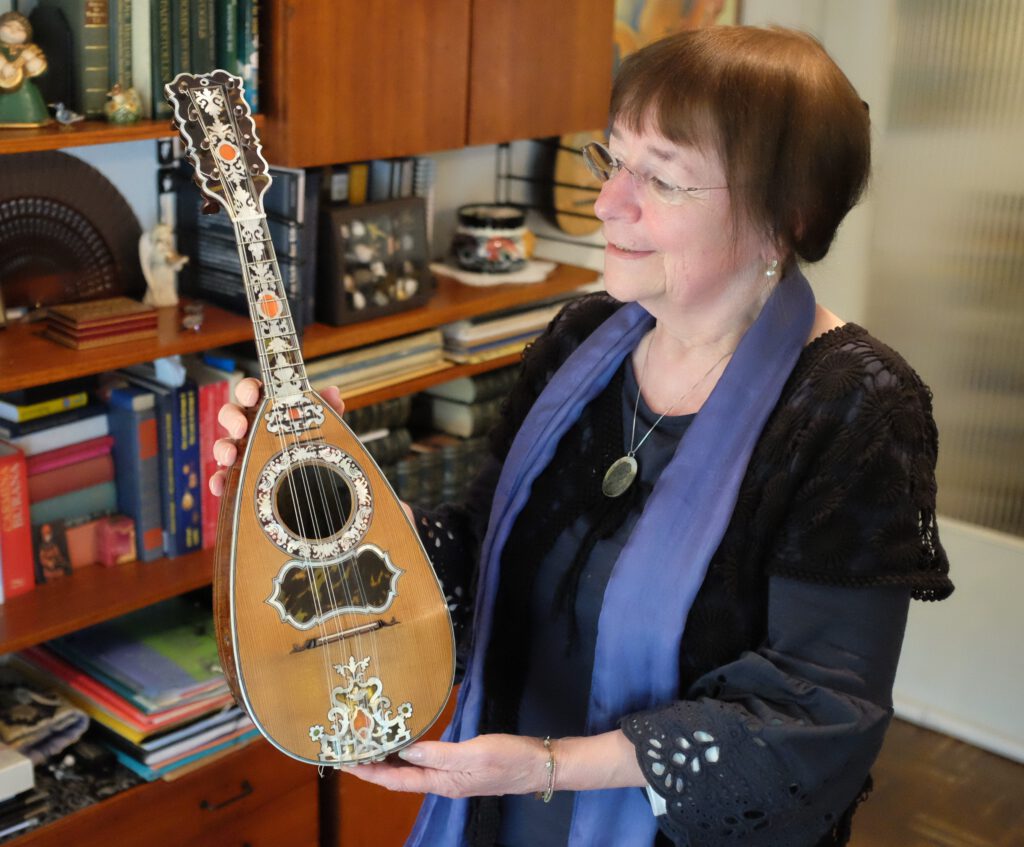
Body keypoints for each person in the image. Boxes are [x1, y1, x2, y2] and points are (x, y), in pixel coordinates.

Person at [211, 26, 953, 847]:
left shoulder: (854, 409)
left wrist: (548, 764)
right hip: (500, 809)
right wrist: (324, 497)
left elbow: (817, 713)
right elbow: (480, 553)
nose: (607, 203)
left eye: (662, 179)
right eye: (613, 161)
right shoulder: (584, 342)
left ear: (786, 219)